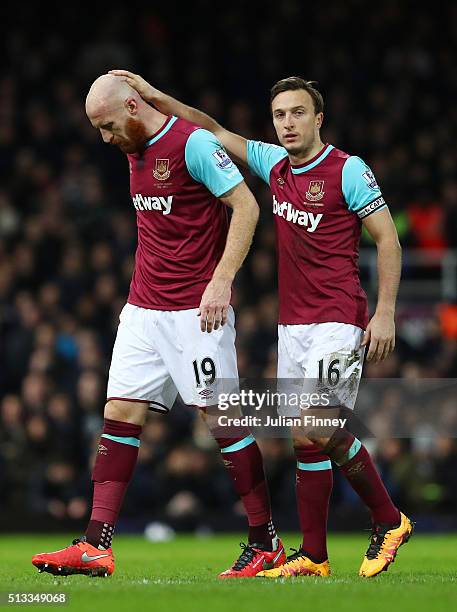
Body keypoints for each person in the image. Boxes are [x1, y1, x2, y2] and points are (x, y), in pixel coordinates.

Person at [109, 70, 414, 578]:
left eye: (297, 113)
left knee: (321, 425)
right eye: (279, 115)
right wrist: (161, 98)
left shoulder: (348, 170)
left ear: (319, 118)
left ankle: (389, 519)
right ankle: (314, 557)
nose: (287, 124)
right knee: (302, 438)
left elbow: (388, 240)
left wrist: (385, 313)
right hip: (292, 323)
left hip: (339, 317)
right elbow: (215, 133)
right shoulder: (274, 165)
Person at [31, 74, 286, 578]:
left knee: (223, 424)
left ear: (131, 107)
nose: (105, 138)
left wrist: (221, 281)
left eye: (107, 126)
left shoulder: (192, 145)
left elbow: (247, 207)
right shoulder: (135, 144)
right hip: (143, 309)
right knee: (119, 413)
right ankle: (96, 544)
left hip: (197, 312)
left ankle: (266, 542)